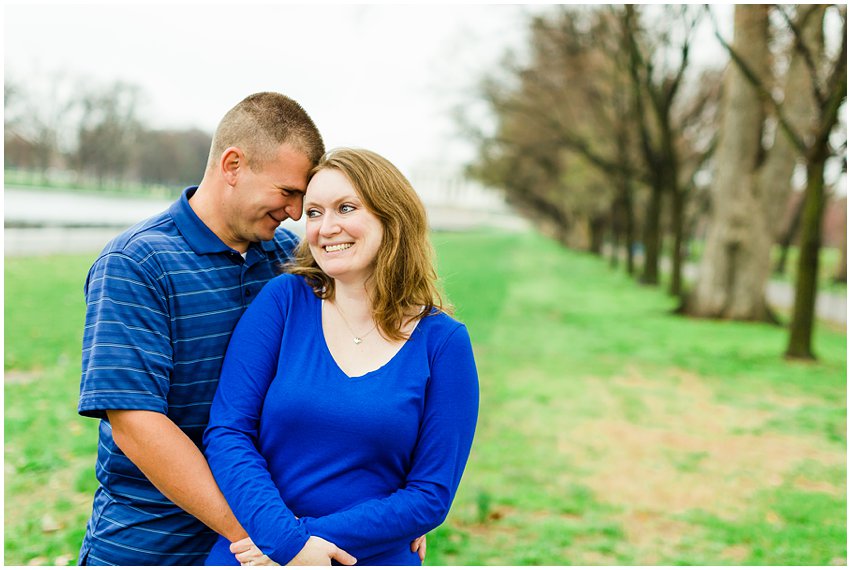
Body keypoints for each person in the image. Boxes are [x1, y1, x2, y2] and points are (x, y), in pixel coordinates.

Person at [76, 92, 328, 565]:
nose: (295, 211)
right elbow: (137, 426)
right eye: (287, 192)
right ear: (232, 164)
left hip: (262, 536)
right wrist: (263, 537)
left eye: (303, 198)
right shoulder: (136, 263)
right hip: (152, 544)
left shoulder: (288, 259)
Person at [203, 148, 480, 566]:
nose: (326, 228)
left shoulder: (443, 343)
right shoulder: (283, 302)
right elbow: (228, 431)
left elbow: (430, 495)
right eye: (313, 213)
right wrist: (284, 540)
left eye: (345, 208)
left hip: (364, 555)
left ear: (392, 217)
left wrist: (303, 543)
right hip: (255, 551)